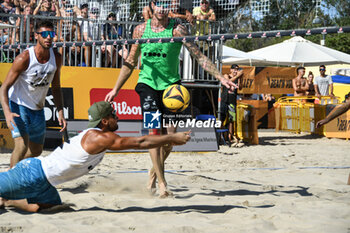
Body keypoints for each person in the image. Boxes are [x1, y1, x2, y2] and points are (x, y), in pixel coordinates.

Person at [104, 0, 237, 198]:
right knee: (154, 133)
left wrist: (220, 77)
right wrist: (116, 89)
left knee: (171, 138)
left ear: (171, 7)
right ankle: (162, 183)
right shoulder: (141, 30)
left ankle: (152, 174)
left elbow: (199, 56)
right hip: (147, 85)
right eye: (158, 4)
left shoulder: (178, 30)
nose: (162, 8)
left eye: (166, 4)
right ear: (152, 5)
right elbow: (130, 61)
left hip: (171, 89)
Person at [0, 101, 191, 212]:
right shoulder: (99, 137)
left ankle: (6, 200)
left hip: (47, 183)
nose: (118, 117)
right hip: (32, 172)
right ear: (105, 121)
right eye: (114, 115)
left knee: (49, 207)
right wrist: (172, 137)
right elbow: (141, 143)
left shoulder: (97, 134)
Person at [0, 20, 67, 168]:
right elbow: (3, 88)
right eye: (44, 34)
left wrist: (60, 112)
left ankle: (17, 169)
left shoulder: (56, 57)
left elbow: (56, 87)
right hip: (18, 105)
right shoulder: (24, 58)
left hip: (37, 108)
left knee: (36, 150)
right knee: (22, 145)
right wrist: (7, 113)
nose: (49, 37)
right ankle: (12, 183)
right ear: (36, 36)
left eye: (51, 34)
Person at [223, 64, 243, 144]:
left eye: (237, 70)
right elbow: (228, 81)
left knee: (232, 119)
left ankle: (229, 137)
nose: (236, 71)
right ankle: (220, 137)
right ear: (230, 70)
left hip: (232, 101)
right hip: (225, 99)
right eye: (234, 69)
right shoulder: (226, 75)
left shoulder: (237, 78)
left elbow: (240, 88)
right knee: (222, 118)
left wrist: (240, 78)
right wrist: (238, 76)